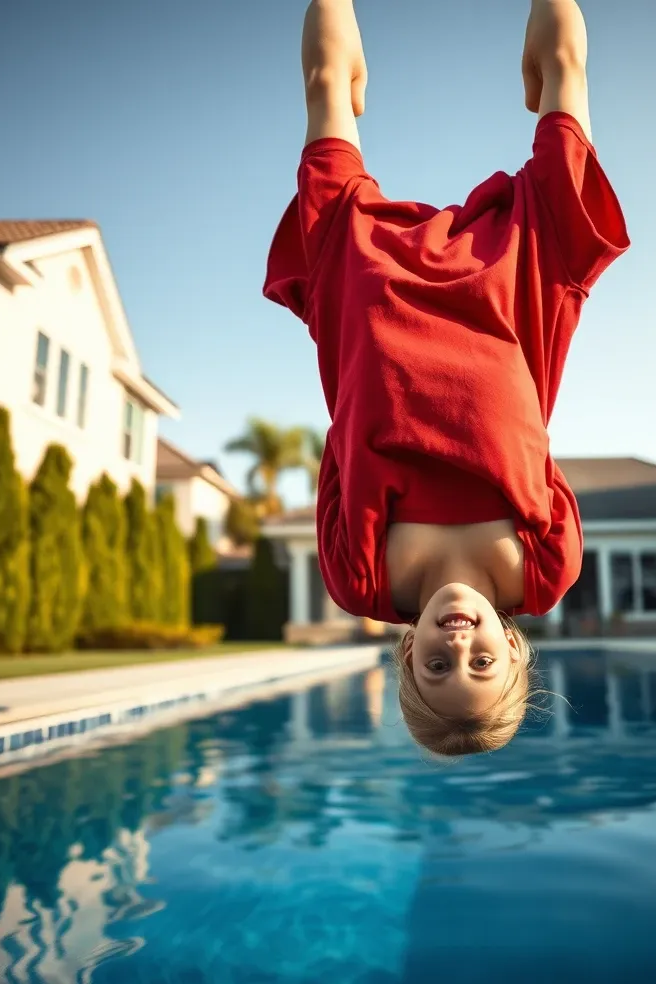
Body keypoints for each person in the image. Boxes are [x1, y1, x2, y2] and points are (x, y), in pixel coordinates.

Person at [264, 0, 628, 755]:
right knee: (563, 85)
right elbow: (539, 453)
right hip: (506, 290)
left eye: (438, 665)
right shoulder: (544, 569)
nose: (458, 642)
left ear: (406, 655)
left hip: (372, 285)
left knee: (329, 87)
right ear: (515, 650)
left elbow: (339, 452)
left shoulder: (361, 580)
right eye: (482, 662)